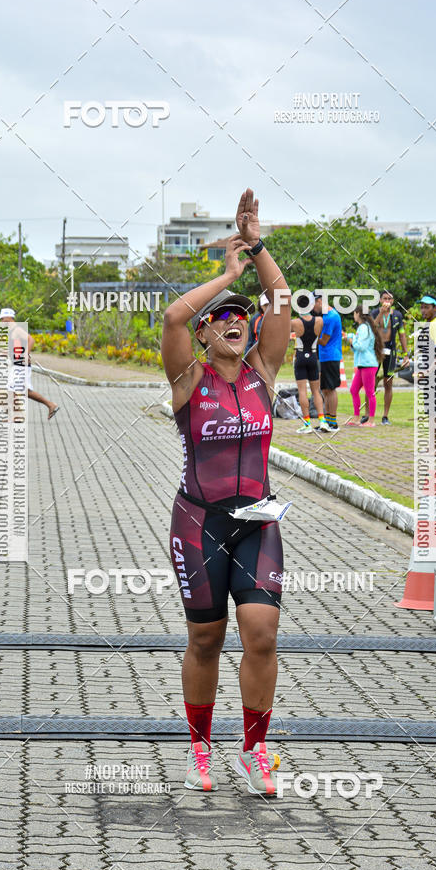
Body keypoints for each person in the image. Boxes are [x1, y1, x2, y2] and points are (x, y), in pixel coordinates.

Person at [161, 188, 290, 796]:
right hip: (200, 522)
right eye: (225, 318)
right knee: (206, 637)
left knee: (261, 632)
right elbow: (173, 317)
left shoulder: (264, 371)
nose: (237, 322)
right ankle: (199, 747)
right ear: (210, 332)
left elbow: (282, 298)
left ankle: (256, 749)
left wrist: (256, 244)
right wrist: (229, 273)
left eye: (244, 316)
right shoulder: (189, 379)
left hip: (259, 521)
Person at [0, 308, 59, 419]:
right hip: (18, 364)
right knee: (24, 391)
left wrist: (25, 354)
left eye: (2, 318)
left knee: (12, 389)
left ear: (8, 318)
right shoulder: (12, 330)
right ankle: (50, 405)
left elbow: (31, 340)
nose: (0, 321)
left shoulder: (17, 329)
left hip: (21, 365)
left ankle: (16, 415)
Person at [369, 291, 409, 425]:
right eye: (384, 298)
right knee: (370, 382)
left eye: (389, 299)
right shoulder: (374, 313)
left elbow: (402, 335)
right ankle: (368, 414)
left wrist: (405, 354)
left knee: (388, 383)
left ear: (392, 301)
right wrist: (381, 313)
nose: (387, 301)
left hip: (390, 351)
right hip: (376, 350)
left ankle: (385, 416)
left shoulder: (397, 315)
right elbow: (372, 328)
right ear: (380, 300)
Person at [344, 304, 383, 428]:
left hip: (368, 364)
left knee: (370, 392)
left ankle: (371, 421)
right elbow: (359, 347)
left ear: (358, 314)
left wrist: (351, 340)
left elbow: (361, 346)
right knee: (353, 390)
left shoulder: (364, 328)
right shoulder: (363, 327)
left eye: (354, 313)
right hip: (363, 364)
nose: (353, 316)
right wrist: (352, 341)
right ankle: (356, 417)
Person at [291, 306, 326, 433]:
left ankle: (307, 424)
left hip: (300, 356)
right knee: (316, 391)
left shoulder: (294, 322)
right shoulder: (319, 320)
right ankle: (323, 421)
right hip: (313, 356)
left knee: (302, 392)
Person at [317, 300, 342, 431]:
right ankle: (327, 421)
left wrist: (308, 336)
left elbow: (324, 341)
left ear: (319, 301)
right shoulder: (326, 316)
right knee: (325, 389)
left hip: (331, 356)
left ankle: (333, 421)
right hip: (326, 356)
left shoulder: (330, 317)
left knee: (331, 389)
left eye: (313, 304)